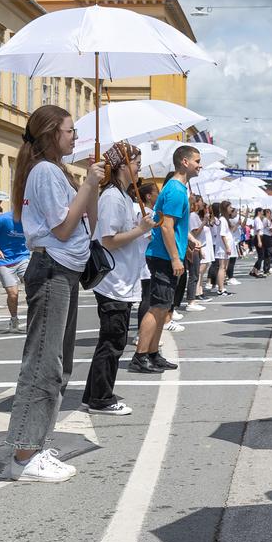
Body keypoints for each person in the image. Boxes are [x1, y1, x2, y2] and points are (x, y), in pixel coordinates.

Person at [2, 105, 105, 482]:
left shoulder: (56, 171)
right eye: (69, 130)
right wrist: (88, 186)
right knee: (44, 364)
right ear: (50, 134)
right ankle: (23, 457)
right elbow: (62, 229)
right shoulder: (44, 171)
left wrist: (92, 185)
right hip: (51, 271)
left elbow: (88, 222)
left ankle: (36, 444)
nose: (75, 136)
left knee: (58, 364)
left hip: (64, 271)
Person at [84, 142, 156, 416]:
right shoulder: (113, 197)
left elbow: (126, 237)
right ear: (123, 165)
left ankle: (93, 395)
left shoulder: (124, 197)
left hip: (124, 278)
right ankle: (102, 399)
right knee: (113, 342)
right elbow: (109, 240)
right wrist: (140, 229)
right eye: (137, 162)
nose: (139, 167)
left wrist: (143, 229)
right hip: (114, 281)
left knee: (111, 340)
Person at [136, 145, 200, 374]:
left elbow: (176, 226)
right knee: (157, 307)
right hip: (163, 256)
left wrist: (188, 243)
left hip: (167, 255)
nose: (199, 165)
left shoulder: (178, 188)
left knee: (164, 307)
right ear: (184, 162)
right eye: (197, 160)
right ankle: (140, 355)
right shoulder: (174, 190)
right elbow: (166, 227)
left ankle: (152, 354)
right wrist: (175, 258)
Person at [0, 202, 30, 333]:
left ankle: (33, 321)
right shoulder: (3, 219)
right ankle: (14, 320)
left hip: (22, 258)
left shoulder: (30, 220)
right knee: (13, 294)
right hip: (3, 260)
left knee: (33, 288)